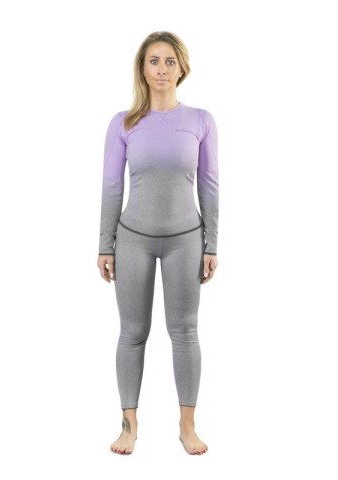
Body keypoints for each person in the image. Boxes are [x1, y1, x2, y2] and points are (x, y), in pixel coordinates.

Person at [97, 31, 219, 455]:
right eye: (154, 61)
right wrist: (105, 244)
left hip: (186, 240)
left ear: (181, 68)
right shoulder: (124, 123)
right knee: (132, 333)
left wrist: (212, 243)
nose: (162, 69)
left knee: (185, 331)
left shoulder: (201, 120)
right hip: (133, 240)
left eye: (169, 61)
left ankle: (187, 425)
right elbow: (111, 187)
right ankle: (128, 425)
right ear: (142, 68)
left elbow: (210, 184)